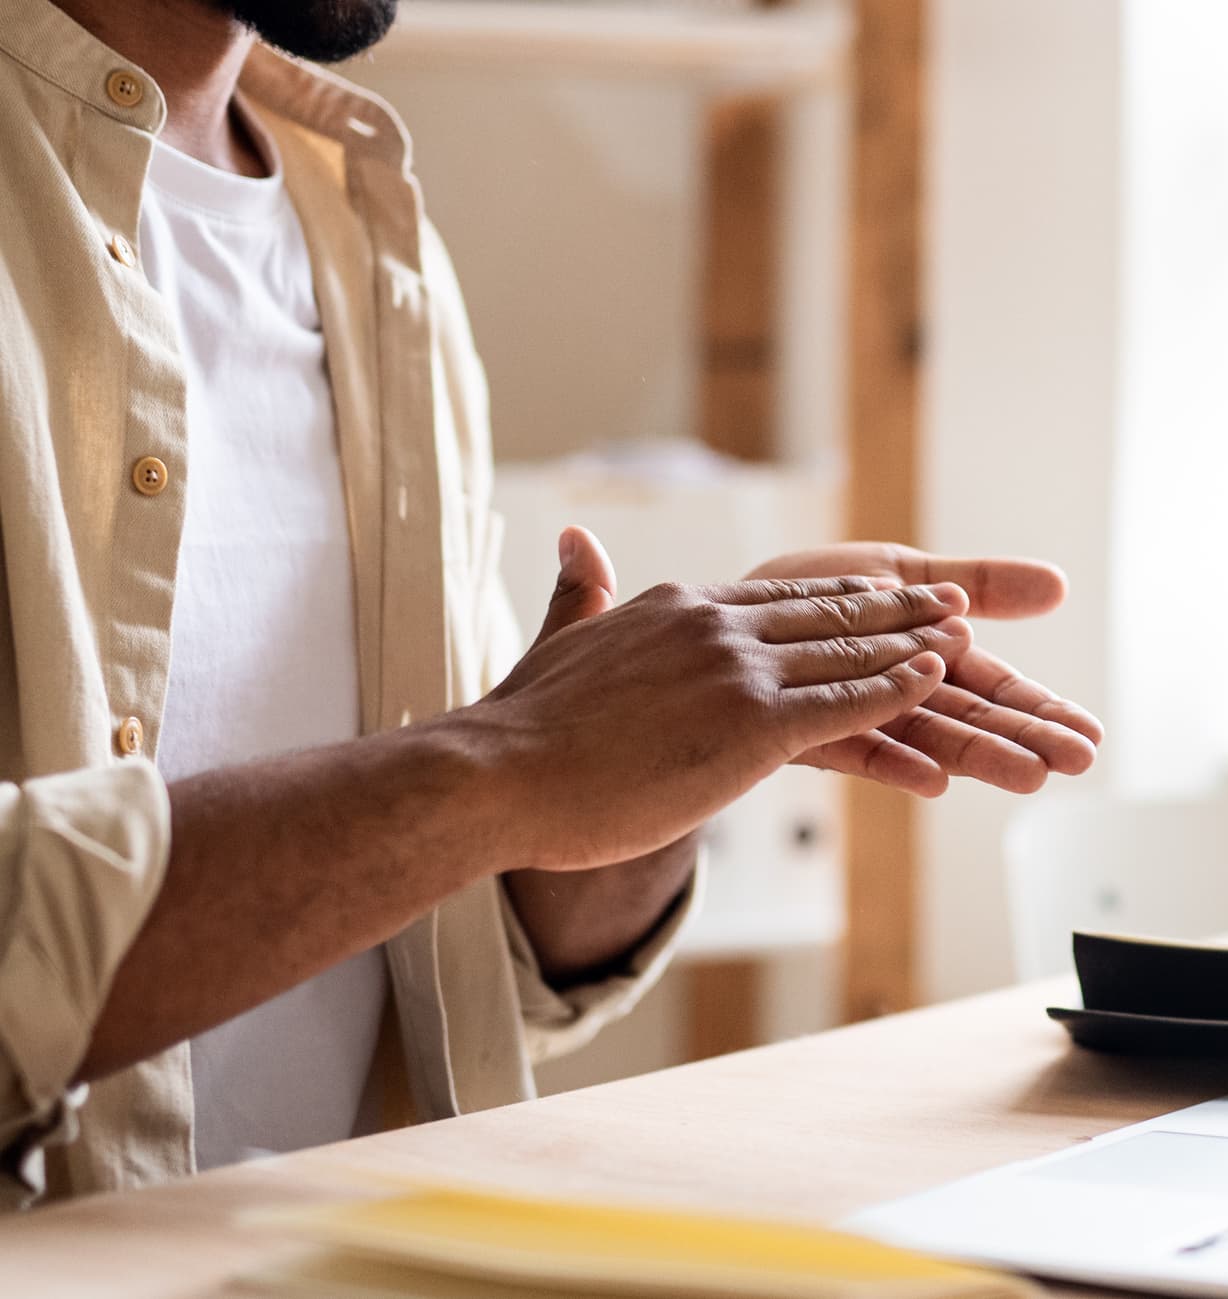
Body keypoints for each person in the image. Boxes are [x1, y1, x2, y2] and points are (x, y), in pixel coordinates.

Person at [0, 0, 1103, 1206]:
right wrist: (504, 765)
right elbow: (473, 786)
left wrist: (693, 732)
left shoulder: (369, 229)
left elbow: (472, 961)